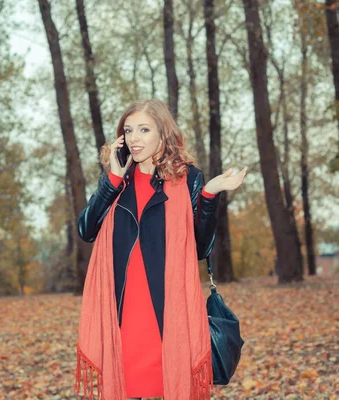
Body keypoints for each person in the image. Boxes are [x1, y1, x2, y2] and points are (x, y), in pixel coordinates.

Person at [74, 99, 247, 400]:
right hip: (123, 307)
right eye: (129, 130)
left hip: (168, 308)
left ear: (163, 133)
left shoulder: (189, 178)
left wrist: (209, 195)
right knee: (128, 386)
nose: (135, 138)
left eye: (144, 129)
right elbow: (86, 230)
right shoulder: (117, 180)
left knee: (170, 383)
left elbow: (201, 247)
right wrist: (112, 180)